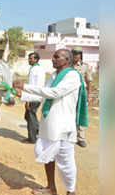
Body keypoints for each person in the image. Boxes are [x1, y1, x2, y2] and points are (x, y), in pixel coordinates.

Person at [13, 49, 87, 195]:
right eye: (53, 57)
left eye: (56, 57)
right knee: (48, 156)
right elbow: (44, 95)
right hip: (48, 123)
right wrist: (23, 95)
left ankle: (70, 191)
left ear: (67, 60)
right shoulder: (54, 75)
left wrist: (25, 86)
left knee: (66, 162)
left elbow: (54, 93)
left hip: (63, 126)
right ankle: (51, 188)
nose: (52, 59)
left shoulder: (73, 76)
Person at [72, 47, 92, 148]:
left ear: (80, 55)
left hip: (81, 93)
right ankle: (70, 136)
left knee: (81, 113)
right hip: (70, 93)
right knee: (69, 113)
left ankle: (81, 138)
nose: (75, 55)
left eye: (77, 54)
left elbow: (89, 81)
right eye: (74, 53)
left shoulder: (85, 66)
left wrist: (89, 95)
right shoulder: (67, 65)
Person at [23, 52, 46, 143]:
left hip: (33, 96)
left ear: (36, 59)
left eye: (31, 59)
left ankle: (32, 138)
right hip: (39, 96)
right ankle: (38, 131)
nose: (29, 60)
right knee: (29, 116)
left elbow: (31, 85)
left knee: (30, 116)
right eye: (29, 58)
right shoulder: (41, 69)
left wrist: (27, 100)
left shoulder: (34, 70)